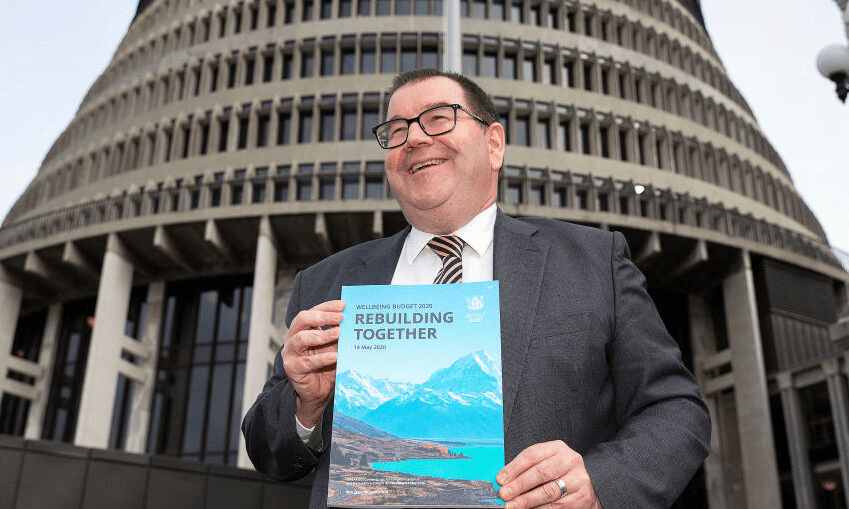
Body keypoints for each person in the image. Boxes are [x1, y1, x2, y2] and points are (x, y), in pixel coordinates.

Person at [242, 69, 711, 509]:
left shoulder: (592, 262)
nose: (416, 137)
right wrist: (307, 405)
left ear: (494, 143)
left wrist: (598, 481)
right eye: (397, 130)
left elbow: (676, 409)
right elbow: (272, 455)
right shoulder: (325, 283)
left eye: (438, 119)